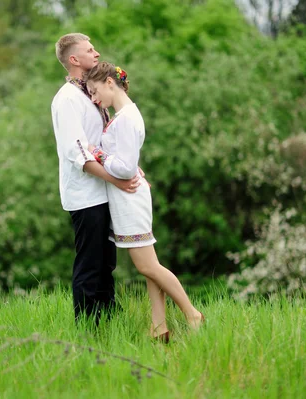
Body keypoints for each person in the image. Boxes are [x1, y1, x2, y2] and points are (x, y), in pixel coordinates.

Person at [85, 62, 204, 342]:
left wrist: (97, 154)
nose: (93, 98)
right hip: (129, 196)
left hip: (129, 198)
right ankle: (158, 326)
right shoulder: (125, 114)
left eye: (94, 91)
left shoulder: (126, 118)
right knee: (150, 265)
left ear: (110, 83)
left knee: (147, 266)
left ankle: (191, 313)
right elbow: (130, 162)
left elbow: (125, 168)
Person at [51, 33, 141, 325]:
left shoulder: (90, 93)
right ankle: (88, 328)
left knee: (107, 263)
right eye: (90, 51)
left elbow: (105, 145)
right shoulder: (66, 100)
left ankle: (109, 321)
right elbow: (78, 153)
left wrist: (130, 171)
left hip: (105, 192)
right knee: (90, 263)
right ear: (74, 60)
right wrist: (117, 181)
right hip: (85, 195)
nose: (97, 53)